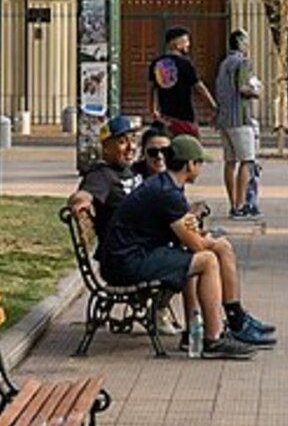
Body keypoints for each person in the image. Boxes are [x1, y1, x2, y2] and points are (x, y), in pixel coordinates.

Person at [103, 134, 276, 356]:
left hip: (134, 254)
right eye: (199, 163)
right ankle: (213, 339)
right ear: (189, 165)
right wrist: (207, 239)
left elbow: (182, 230)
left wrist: (204, 235)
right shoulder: (167, 192)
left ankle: (234, 319)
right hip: (126, 262)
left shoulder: (167, 185)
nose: (201, 168)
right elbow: (195, 245)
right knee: (207, 260)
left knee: (218, 249)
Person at [66, 114, 141, 247]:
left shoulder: (133, 169)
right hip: (126, 253)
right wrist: (80, 201)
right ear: (106, 147)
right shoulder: (102, 175)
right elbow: (86, 194)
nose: (131, 147)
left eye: (133, 140)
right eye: (122, 142)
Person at [214, 29, 262, 218]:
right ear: (241, 43)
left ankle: (233, 202)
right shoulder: (242, 63)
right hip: (240, 118)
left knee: (230, 162)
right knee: (247, 161)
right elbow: (243, 88)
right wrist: (255, 92)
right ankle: (240, 205)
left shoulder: (224, 63)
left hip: (225, 118)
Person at [147, 25, 217, 138]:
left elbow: (151, 88)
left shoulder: (157, 63)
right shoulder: (185, 64)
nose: (188, 45)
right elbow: (199, 87)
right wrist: (213, 106)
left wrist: (152, 109)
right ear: (177, 44)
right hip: (185, 118)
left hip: (165, 118)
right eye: (186, 41)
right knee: (190, 149)